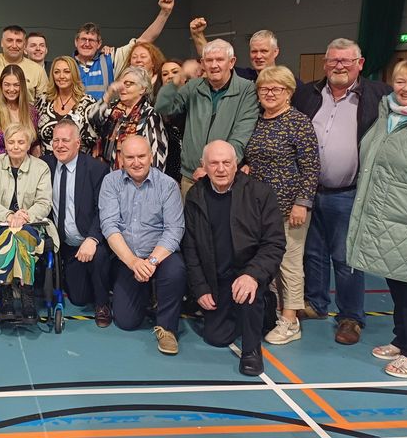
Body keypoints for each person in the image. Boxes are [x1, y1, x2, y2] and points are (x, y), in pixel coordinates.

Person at [291, 38, 391, 345]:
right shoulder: (307, 94)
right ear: (325, 63)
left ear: (360, 64)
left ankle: (350, 317)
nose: (339, 66)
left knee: (346, 258)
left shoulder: (379, 95)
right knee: (313, 253)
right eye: (334, 60)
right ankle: (317, 304)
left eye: (346, 61)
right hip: (309, 190)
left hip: (349, 192)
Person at [347, 58, 407, 377]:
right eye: (401, 81)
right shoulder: (388, 114)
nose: (406, 88)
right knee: (397, 285)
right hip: (384, 218)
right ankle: (403, 338)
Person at [182, 141, 286, 376]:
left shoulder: (260, 193)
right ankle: (253, 310)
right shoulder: (195, 195)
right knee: (216, 337)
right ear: (203, 166)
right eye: (214, 163)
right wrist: (200, 287)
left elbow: (275, 243)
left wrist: (253, 275)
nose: (220, 169)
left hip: (247, 273)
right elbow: (190, 247)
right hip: (216, 277)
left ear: (236, 164)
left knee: (249, 294)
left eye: (226, 163)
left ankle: (251, 350)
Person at [243, 66, 319, 345]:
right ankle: (275, 312)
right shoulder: (257, 120)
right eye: (264, 89)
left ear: (289, 92)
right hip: (259, 208)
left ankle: (290, 320)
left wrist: (302, 203)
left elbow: (311, 167)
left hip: (290, 208)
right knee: (269, 263)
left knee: (289, 263)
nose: (270, 93)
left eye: (277, 89)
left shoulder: (298, 122)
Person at [99, 136, 185, 354]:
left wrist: (151, 261)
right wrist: (133, 262)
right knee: (126, 322)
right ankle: (147, 294)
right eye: (130, 157)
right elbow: (109, 226)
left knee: (176, 270)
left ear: (151, 156)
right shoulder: (110, 182)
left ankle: (167, 329)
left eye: (141, 156)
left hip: (160, 255)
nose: (136, 162)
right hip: (128, 257)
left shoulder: (168, 186)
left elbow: (174, 230)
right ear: (120, 159)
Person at [156, 39, 259, 198]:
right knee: (191, 223)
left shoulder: (247, 90)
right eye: (209, 60)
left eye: (219, 59)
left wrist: (211, 167)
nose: (214, 65)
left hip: (225, 177)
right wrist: (179, 76)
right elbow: (163, 107)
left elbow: (241, 135)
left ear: (231, 62)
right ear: (202, 63)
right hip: (191, 177)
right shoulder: (193, 87)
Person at [0, 124, 53, 323]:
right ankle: (13, 291)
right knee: (10, 235)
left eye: (21, 142)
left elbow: (44, 203)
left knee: (20, 234)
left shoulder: (41, 167)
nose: (16, 146)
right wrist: (9, 216)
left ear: (29, 144)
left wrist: (24, 216)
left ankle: (19, 292)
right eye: (11, 142)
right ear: (5, 144)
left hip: (31, 225)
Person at [43, 119, 112, 326]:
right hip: (65, 246)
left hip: (89, 240)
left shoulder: (96, 169)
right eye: (56, 140)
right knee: (79, 298)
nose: (60, 145)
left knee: (99, 256)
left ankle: (103, 303)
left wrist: (93, 238)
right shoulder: (46, 165)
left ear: (78, 143)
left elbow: (105, 210)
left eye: (65, 140)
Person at [72, 0, 175, 100]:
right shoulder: (66, 66)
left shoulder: (110, 58)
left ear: (99, 44)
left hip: (103, 115)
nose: (87, 44)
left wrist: (164, 13)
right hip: (72, 116)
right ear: (76, 41)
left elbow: (143, 41)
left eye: (92, 40)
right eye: (83, 39)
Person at [90, 66, 168, 171]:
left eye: (128, 84)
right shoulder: (113, 109)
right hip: (109, 176)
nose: (122, 88)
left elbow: (158, 156)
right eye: (121, 84)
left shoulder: (150, 114)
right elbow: (93, 118)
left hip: (138, 179)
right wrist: (108, 94)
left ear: (142, 89)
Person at [0, 64, 39, 162]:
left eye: (16, 85)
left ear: (22, 86)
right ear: (1, 85)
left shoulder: (31, 111)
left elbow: (35, 145)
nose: (11, 89)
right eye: (7, 84)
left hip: (24, 168)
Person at [36, 56, 98, 154]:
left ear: (74, 74)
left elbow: (97, 139)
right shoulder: (43, 101)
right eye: (57, 72)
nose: (61, 76)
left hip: (79, 165)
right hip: (46, 165)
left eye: (66, 72)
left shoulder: (89, 103)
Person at [191, 20, 282, 83]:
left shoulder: (287, 81)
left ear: (275, 52)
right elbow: (211, 55)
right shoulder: (243, 77)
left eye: (264, 51)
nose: (258, 56)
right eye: (254, 51)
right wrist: (197, 35)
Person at [159, 60, 187, 184]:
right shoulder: (157, 107)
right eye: (165, 74)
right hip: (168, 175)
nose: (170, 76)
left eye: (175, 72)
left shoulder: (195, 100)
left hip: (192, 172)